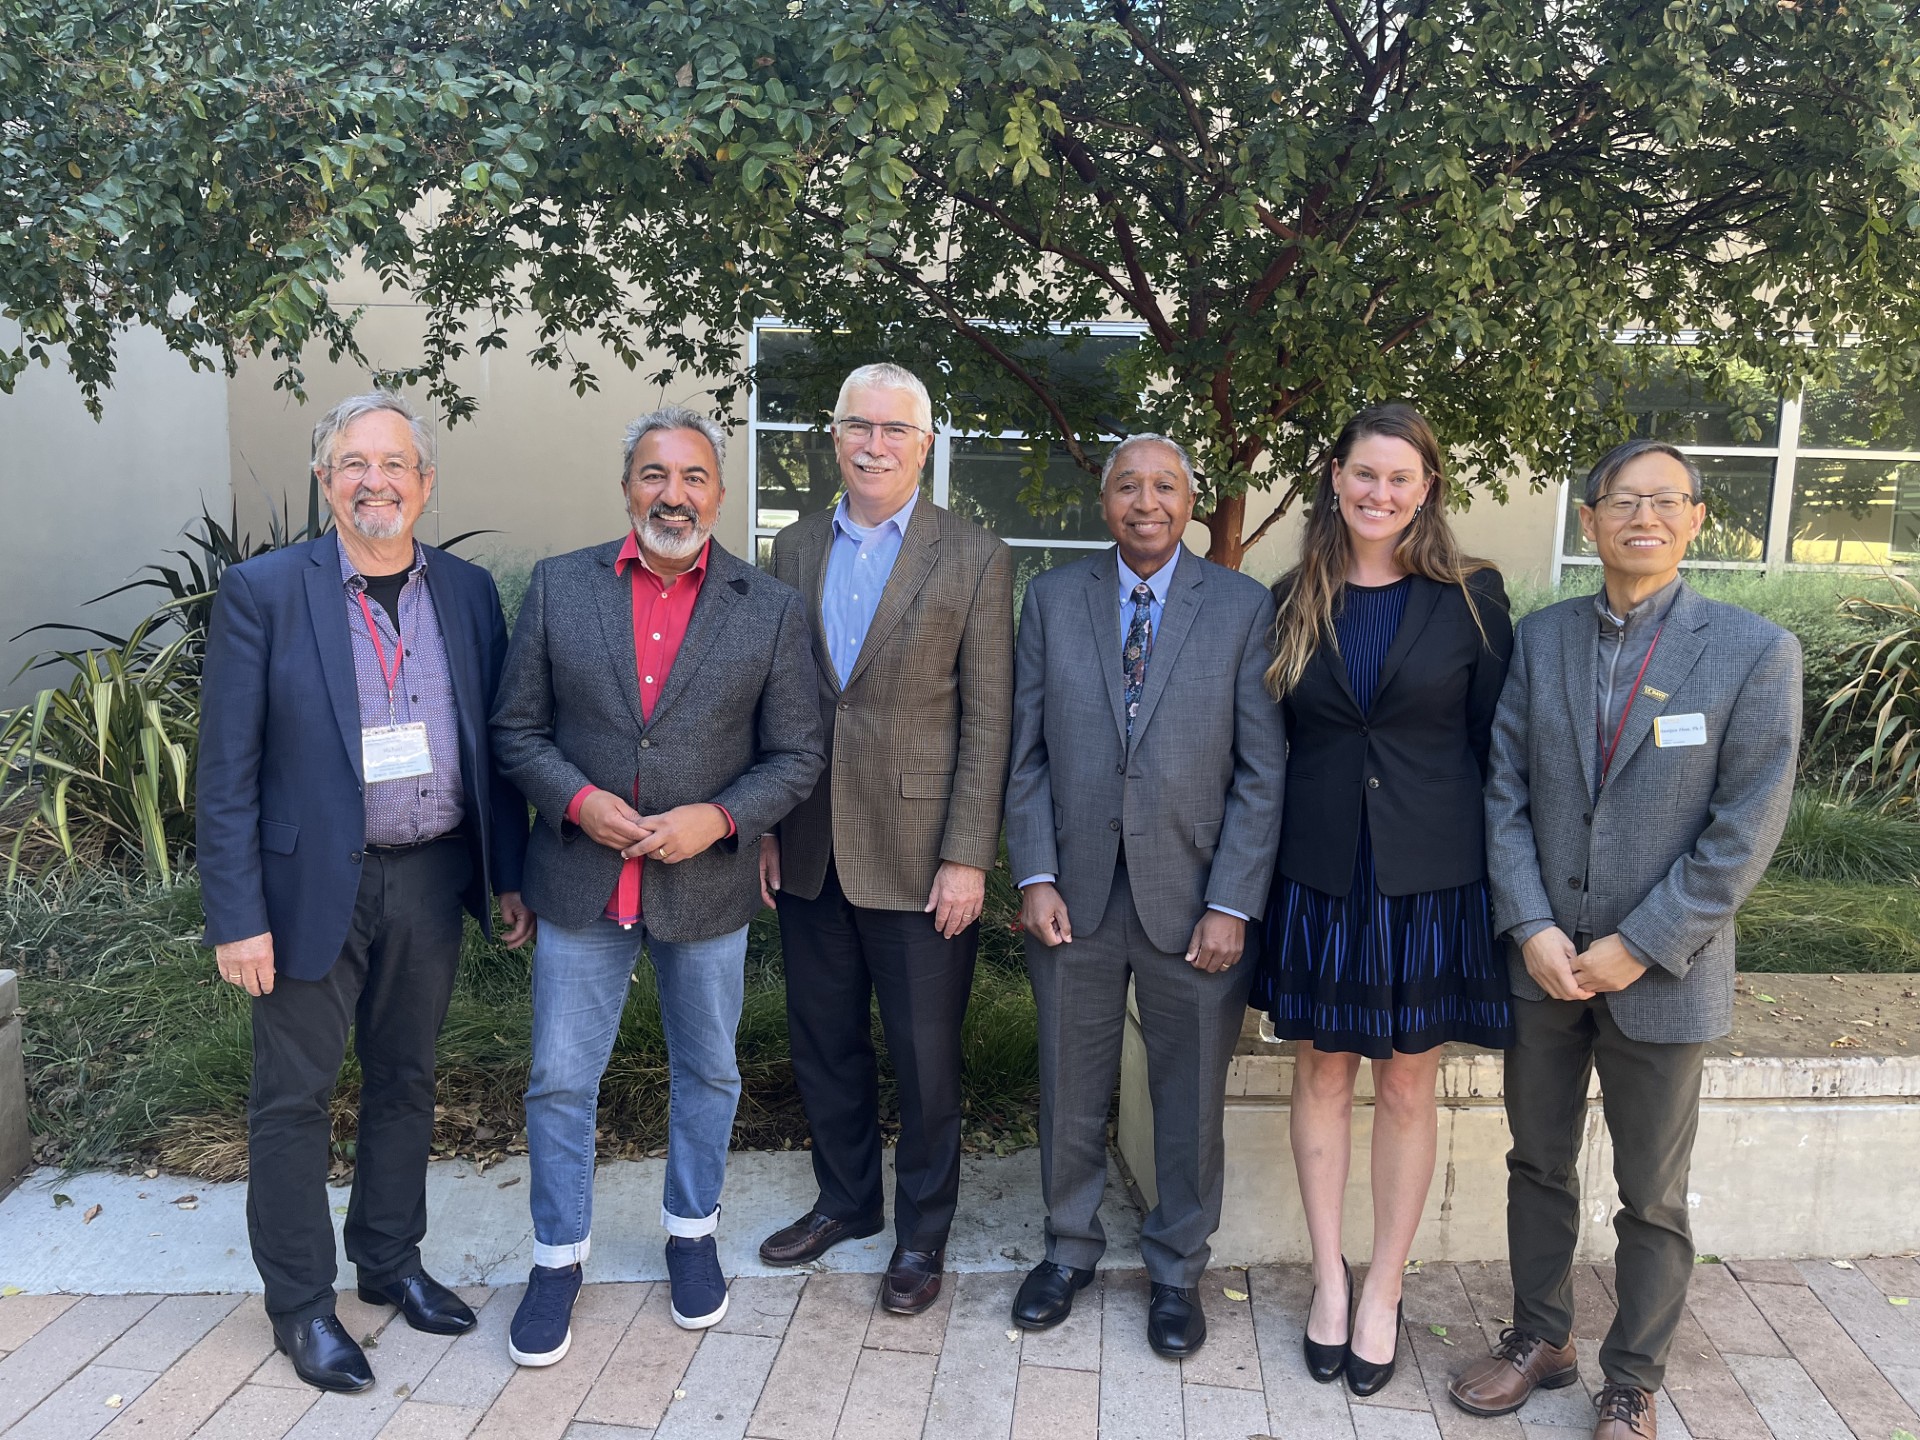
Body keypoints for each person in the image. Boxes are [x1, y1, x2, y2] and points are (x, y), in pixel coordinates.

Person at [1448, 439, 1801, 1440]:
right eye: (1621, 500)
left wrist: (1640, 943)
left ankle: (1633, 1377)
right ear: (1589, 519)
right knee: (1538, 1163)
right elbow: (1504, 792)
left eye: (1666, 500)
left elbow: (1746, 831)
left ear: (1695, 520)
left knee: (1653, 1193)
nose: (1642, 517)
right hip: (1547, 962)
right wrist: (1529, 925)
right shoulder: (1544, 637)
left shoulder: (1753, 651)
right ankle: (1540, 1338)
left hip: (1666, 972)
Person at [197, 391, 532, 1393]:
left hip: (430, 876)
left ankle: (388, 1264)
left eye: (394, 464)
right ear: (324, 479)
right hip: (305, 892)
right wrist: (237, 914)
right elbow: (227, 773)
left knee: (407, 1083)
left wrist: (505, 876)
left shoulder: (469, 593)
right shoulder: (262, 591)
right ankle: (301, 1307)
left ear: (425, 484)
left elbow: (497, 750)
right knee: (292, 1102)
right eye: (353, 462)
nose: (374, 480)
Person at [489, 407, 823, 1365]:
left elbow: (796, 754)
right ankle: (557, 1257)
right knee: (559, 1079)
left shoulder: (767, 608)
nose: (671, 495)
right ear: (626, 485)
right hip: (582, 880)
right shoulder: (559, 588)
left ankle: (690, 1233)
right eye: (652, 475)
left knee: (710, 1071)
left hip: (703, 886)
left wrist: (717, 819)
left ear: (718, 493)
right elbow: (516, 732)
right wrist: (579, 802)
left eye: (691, 478)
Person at [1003, 434, 1285, 1358]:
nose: (1147, 501)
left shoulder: (1243, 607)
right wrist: (1034, 873)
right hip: (1073, 897)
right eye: (1129, 486)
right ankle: (1069, 1248)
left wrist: (1232, 901)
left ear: (1192, 498)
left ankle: (1175, 1267)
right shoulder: (1050, 600)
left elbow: (1260, 771)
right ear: (1104, 500)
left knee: (1189, 1096)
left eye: (1165, 485)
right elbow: (1028, 754)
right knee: (1068, 1083)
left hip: (1194, 897)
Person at [1253, 402, 1514, 1394]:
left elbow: (1499, 751)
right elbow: (1269, 749)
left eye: (1400, 478)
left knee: (1407, 1084)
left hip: (1427, 882)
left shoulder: (1475, 599)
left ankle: (1384, 1290)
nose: (1380, 493)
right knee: (1319, 1077)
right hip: (1319, 879)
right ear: (1335, 476)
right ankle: (1328, 1279)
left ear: (1427, 488)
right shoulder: (1290, 598)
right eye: (1365, 474)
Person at [757, 362, 1014, 1315]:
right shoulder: (791, 547)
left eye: (894, 430)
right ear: (834, 437)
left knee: (925, 1057)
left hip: (920, 858)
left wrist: (966, 856)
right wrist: (776, 831)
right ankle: (846, 1202)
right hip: (813, 845)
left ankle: (921, 1235)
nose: (873, 444)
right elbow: (785, 702)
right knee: (824, 1043)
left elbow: (989, 720)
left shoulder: (976, 556)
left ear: (925, 444)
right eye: (857, 426)